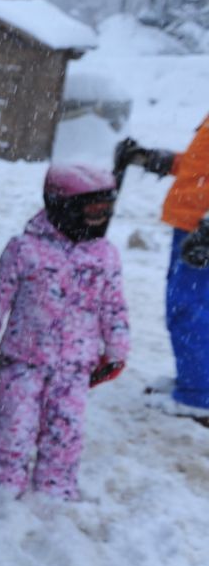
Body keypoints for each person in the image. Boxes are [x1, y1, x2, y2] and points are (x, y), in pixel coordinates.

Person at [0, 163, 130, 500]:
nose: (99, 218)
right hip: (22, 361)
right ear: (62, 205)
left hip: (75, 366)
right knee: (14, 427)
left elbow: (114, 306)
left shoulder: (105, 256)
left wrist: (116, 351)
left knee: (66, 432)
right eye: (92, 209)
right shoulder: (24, 249)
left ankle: (54, 492)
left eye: (107, 210)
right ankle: (3, 490)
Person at [118, 126, 209, 413]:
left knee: (190, 311)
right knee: (191, 308)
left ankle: (198, 396)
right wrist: (161, 161)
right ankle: (196, 380)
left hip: (201, 229)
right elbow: (201, 164)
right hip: (192, 224)